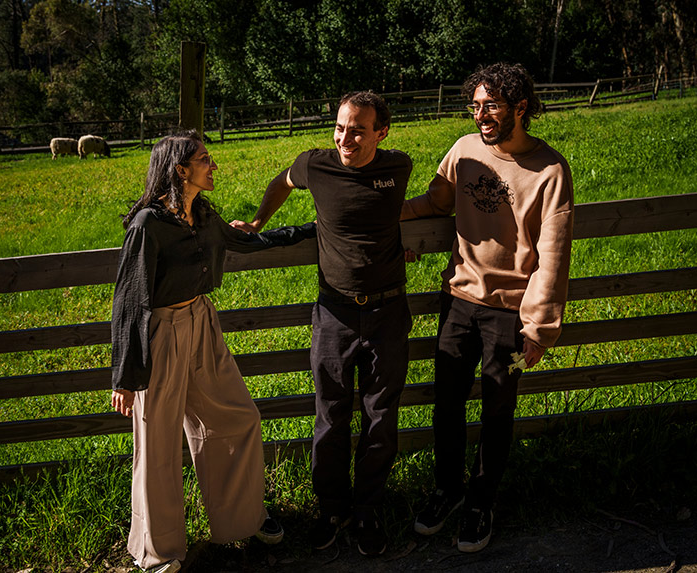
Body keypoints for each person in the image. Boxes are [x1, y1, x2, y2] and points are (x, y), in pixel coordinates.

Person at [110, 130, 316, 573]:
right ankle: (158, 551)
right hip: (160, 333)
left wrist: (311, 231)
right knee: (158, 441)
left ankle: (242, 520)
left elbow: (246, 241)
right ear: (180, 169)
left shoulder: (201, 214)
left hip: (202, 322)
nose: (214, 166)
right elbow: (128, 300)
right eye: (205, 159)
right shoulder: (148, 225)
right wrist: (126, 378)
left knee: (237, 417)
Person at [231, 91, 414, 556]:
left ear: (381, 132)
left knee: (380, 418)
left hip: (388, 312)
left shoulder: (398, 168)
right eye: (339, 127)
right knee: (330, 417)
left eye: (356, 129)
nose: (345, 137)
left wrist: (410, 239)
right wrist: (257, 221)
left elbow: (415, 207)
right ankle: (331, 510)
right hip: (333, 313)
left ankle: (368, 511)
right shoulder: (315, 165)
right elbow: (282, 182)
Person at [403, 62, 574, 553]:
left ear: (520, 107)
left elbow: (553, 255)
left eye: (491, 105)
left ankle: (482, 501)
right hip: (458, 300)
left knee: (498, 409)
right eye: (476, 105)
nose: (480, 114)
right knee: (446, 404)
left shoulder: (550, 170)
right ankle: (447, 490)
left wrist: (538, 329)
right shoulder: (463, 150)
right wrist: (391, 219)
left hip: (510, 313)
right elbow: (436, 201)